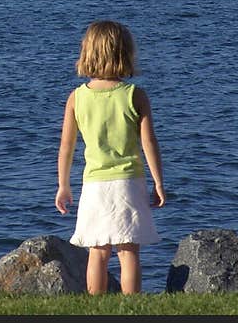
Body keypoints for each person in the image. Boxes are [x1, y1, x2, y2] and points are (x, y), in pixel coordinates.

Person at [55, 20, 165, 294]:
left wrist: (63, 185)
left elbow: (66, 147)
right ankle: (131, 305)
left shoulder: (77, 98)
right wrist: (159, 183)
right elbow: (148, 142)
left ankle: (96, 306)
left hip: (94, 185)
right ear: (125, 54)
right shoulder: (134, 95)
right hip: (128, 181)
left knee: (97, 252)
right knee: (128, 252)